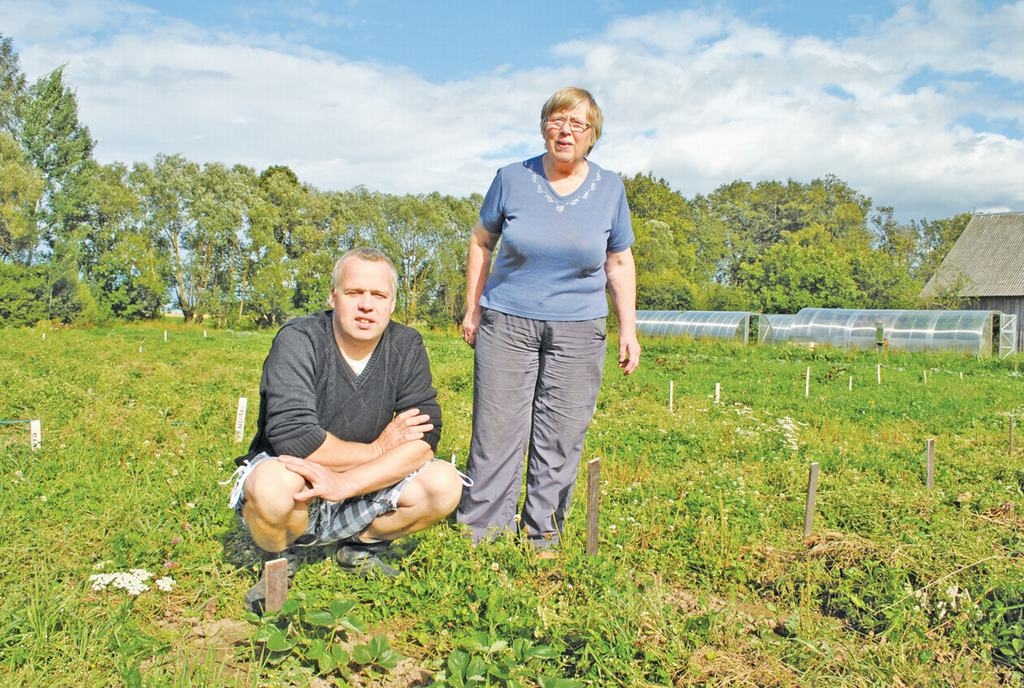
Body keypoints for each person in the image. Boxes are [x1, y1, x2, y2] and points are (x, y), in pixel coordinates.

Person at [456, 87, 641, 554]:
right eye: (557, 120)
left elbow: (618, 262)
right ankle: (482, 536)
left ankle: (542, 537)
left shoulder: (610, 188)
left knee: (561, 435)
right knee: (497, 432)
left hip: (579, 329)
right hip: (508, 322)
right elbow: (481, 241)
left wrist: (629, 330)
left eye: (578, 124)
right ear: (544, 128)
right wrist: (472, 306)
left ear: (592, 136)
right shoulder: (511, 178)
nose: (566, 130)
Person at [229, 247, 464, 612]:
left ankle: (360, 546)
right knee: (270, 486)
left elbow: (424, 438)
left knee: (444, 484)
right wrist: (375, 450)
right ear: (333, 296)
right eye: (354, 293)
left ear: (391, 303)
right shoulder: (299, 339)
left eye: (378, 295)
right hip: (299, 486)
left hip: (365, 487)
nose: (366, 305)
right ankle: (279, 558)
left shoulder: (406, 345)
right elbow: (295, 438)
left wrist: (346, 483)